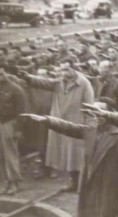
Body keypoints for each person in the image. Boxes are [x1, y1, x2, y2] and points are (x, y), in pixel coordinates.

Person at [22, 98, 118, 217]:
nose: (96, 114)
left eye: (100, 111)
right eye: (92, 111)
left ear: (110, 112)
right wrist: (47, 120)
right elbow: (70, 128)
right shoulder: (92, 130)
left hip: (110, 191)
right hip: (90, 188)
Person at [18, 59, 95, 192]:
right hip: (61, 123)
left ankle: (84, 184)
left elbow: (90, 106)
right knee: (68, 155)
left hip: (76, 123)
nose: (63, 73)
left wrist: (89, 125)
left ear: (73, 68)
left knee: (78, 155)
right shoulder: (59, 82)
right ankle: (74, 182)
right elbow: (43, 82)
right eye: (61, 70)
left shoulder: (84, 83)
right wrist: (27, 77)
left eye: (66, 69)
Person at [0, 68, 27, 195]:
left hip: (9, 123)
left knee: (10, 154)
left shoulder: (15, 89)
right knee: (2, 155)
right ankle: (6, 182)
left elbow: (22, 111)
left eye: (1, 74)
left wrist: (18, 129)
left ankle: (14, 182)